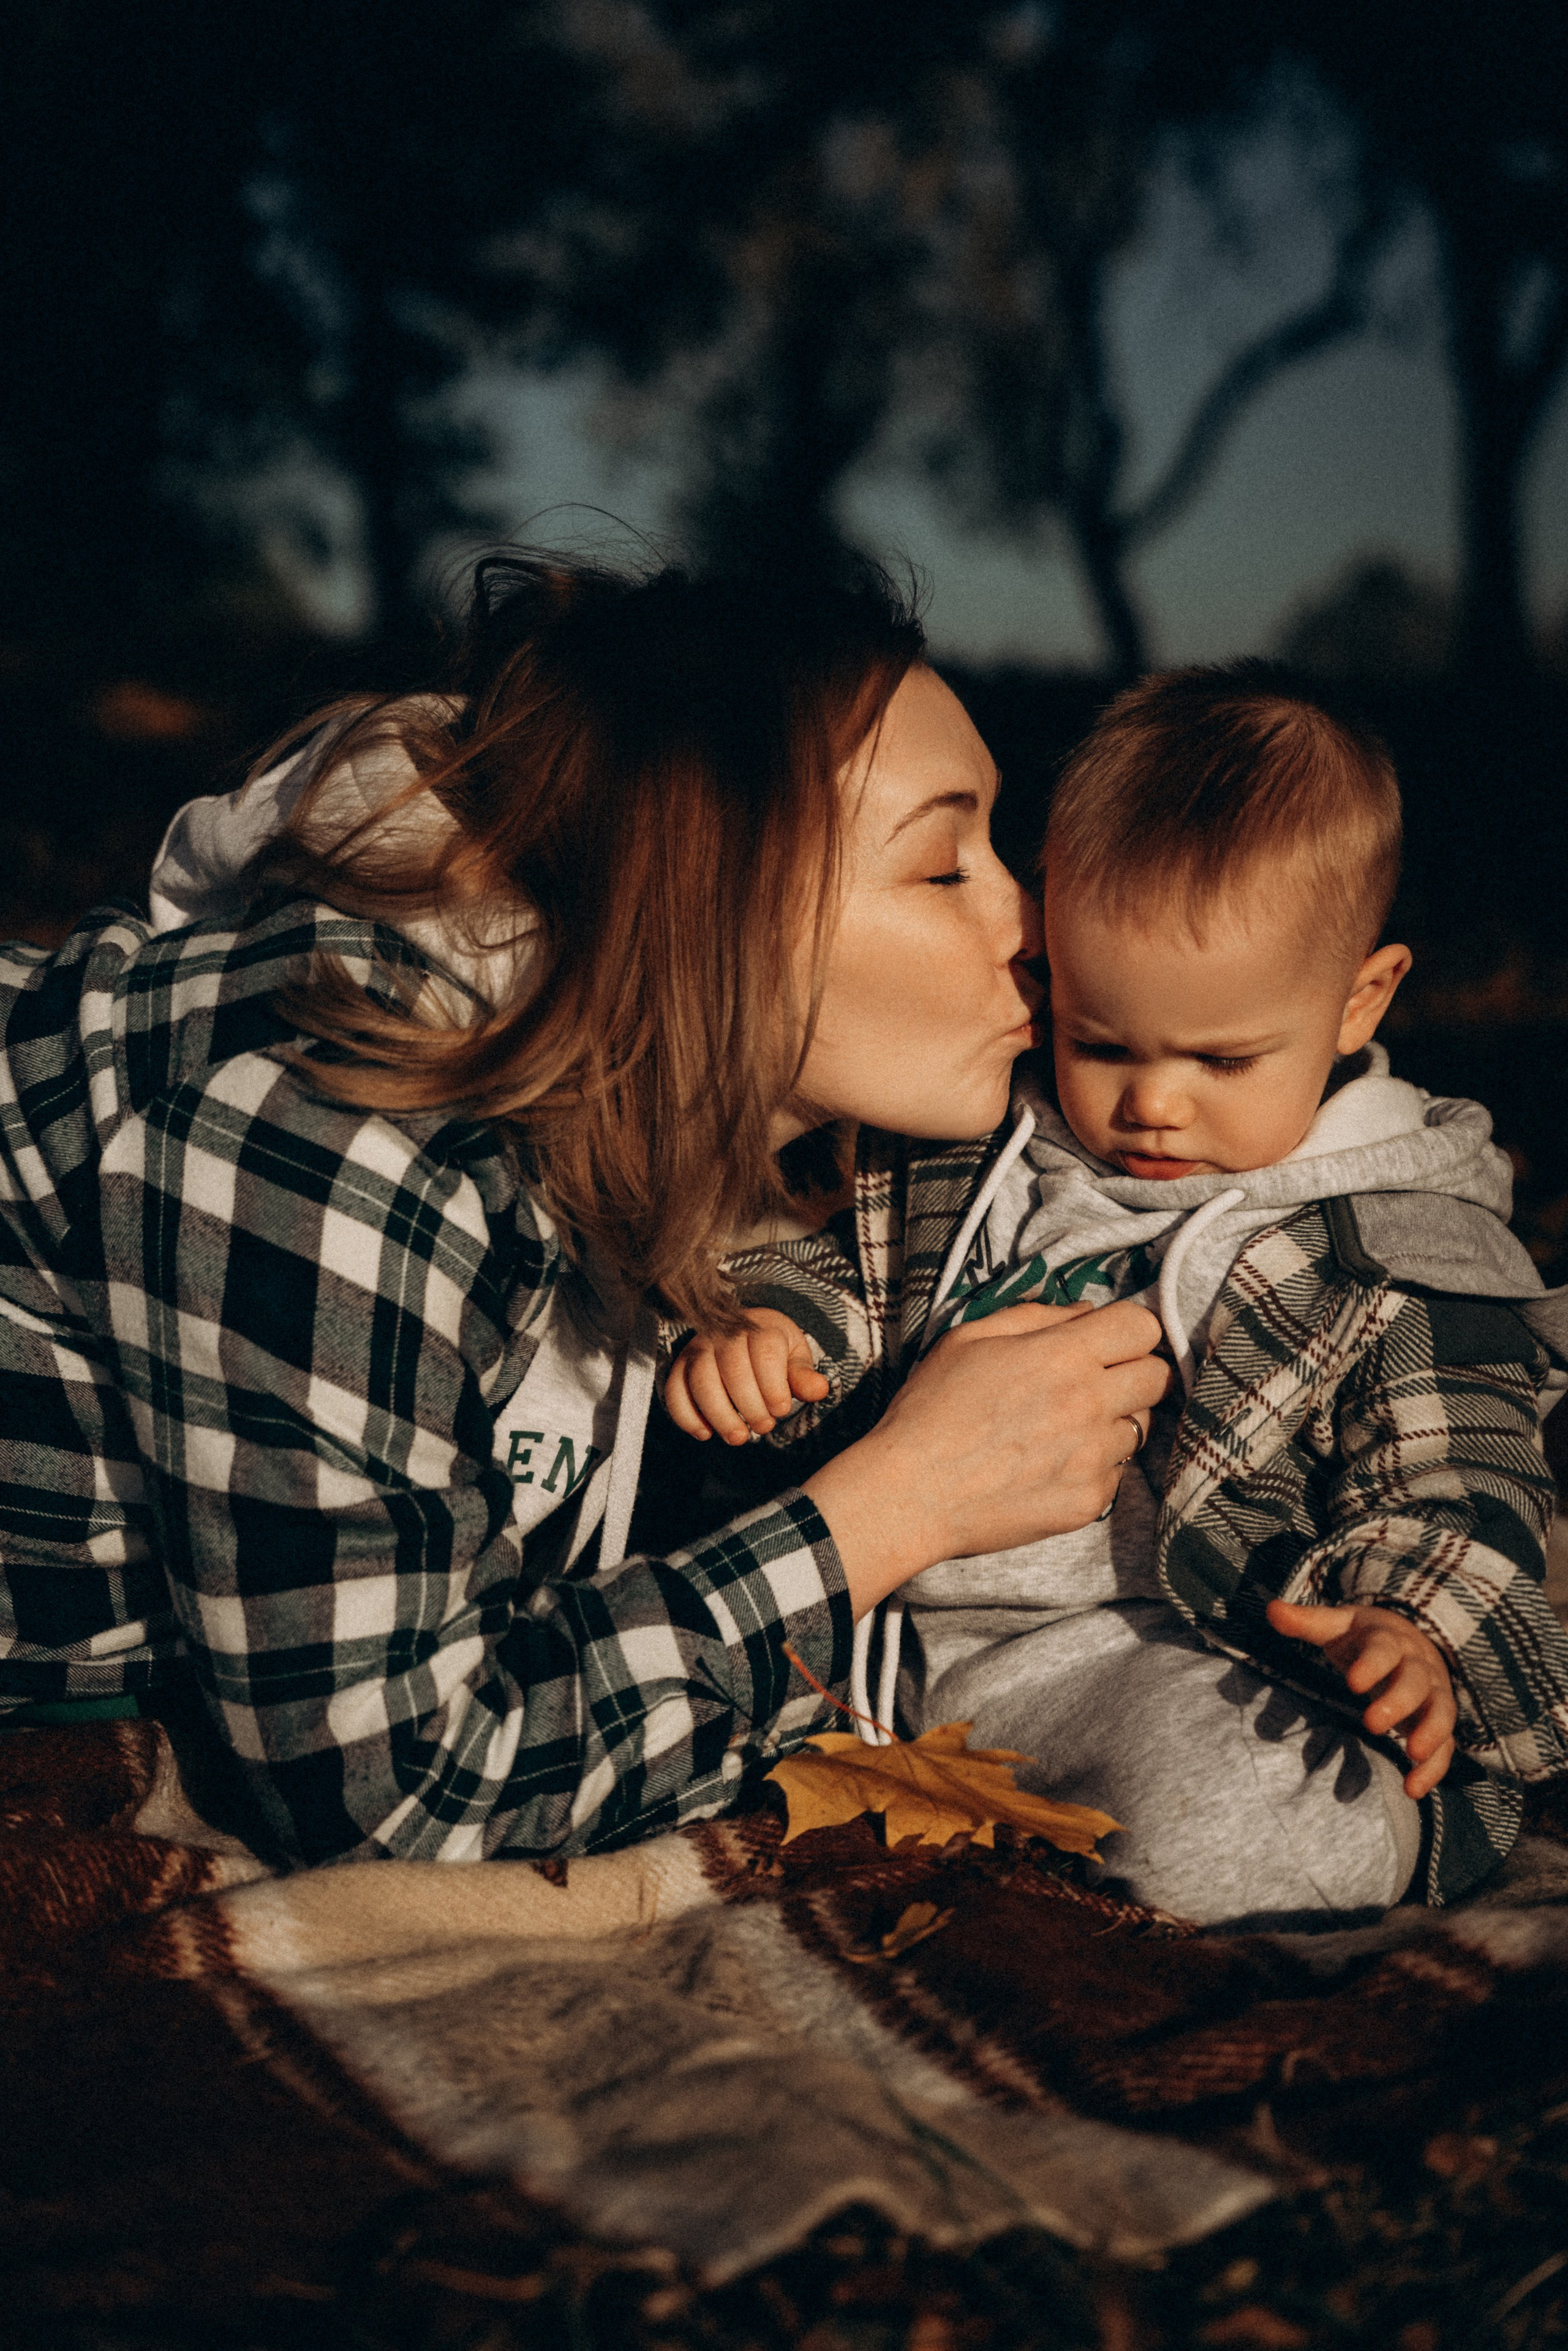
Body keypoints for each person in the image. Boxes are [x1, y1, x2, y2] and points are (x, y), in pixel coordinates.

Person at [0, 552, 1170, 1868]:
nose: (1035, 928)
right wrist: (895, 1506)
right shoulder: (340, 1133)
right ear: (704, 897)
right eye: (941, 868)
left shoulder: (648, 1109)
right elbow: (395, 1783)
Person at [666, 665, 1568, 1923]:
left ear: (1359, 998)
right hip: (881, 1639)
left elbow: (1455, 1471)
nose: (1151, 1102)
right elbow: (850, 1263)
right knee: (663, 1657)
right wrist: (772, 1329)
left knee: (1271, 1806)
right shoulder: (981, 1144)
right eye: (1099, 1041)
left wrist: (1407, 1626)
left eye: (1220, 1056)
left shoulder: (1390, 1241)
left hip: (1162, 1651)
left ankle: (1158, 1852)